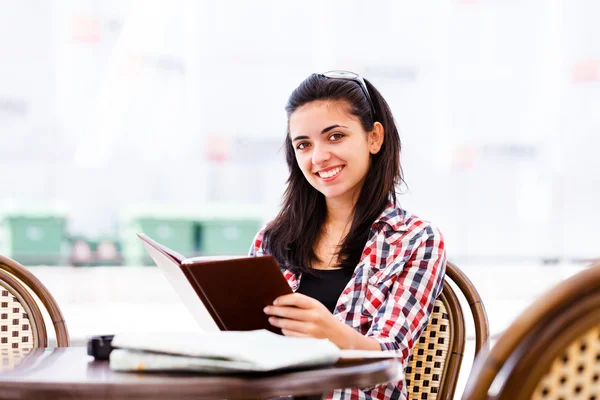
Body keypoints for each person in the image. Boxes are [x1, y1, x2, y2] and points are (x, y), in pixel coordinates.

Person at [249, 70, 446, 399]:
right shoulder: (272, 240)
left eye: (335, 136)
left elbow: (389, 360)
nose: (318, 157)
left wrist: (333, 334)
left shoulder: (415, 240)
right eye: (304, 144)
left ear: (374, 138)